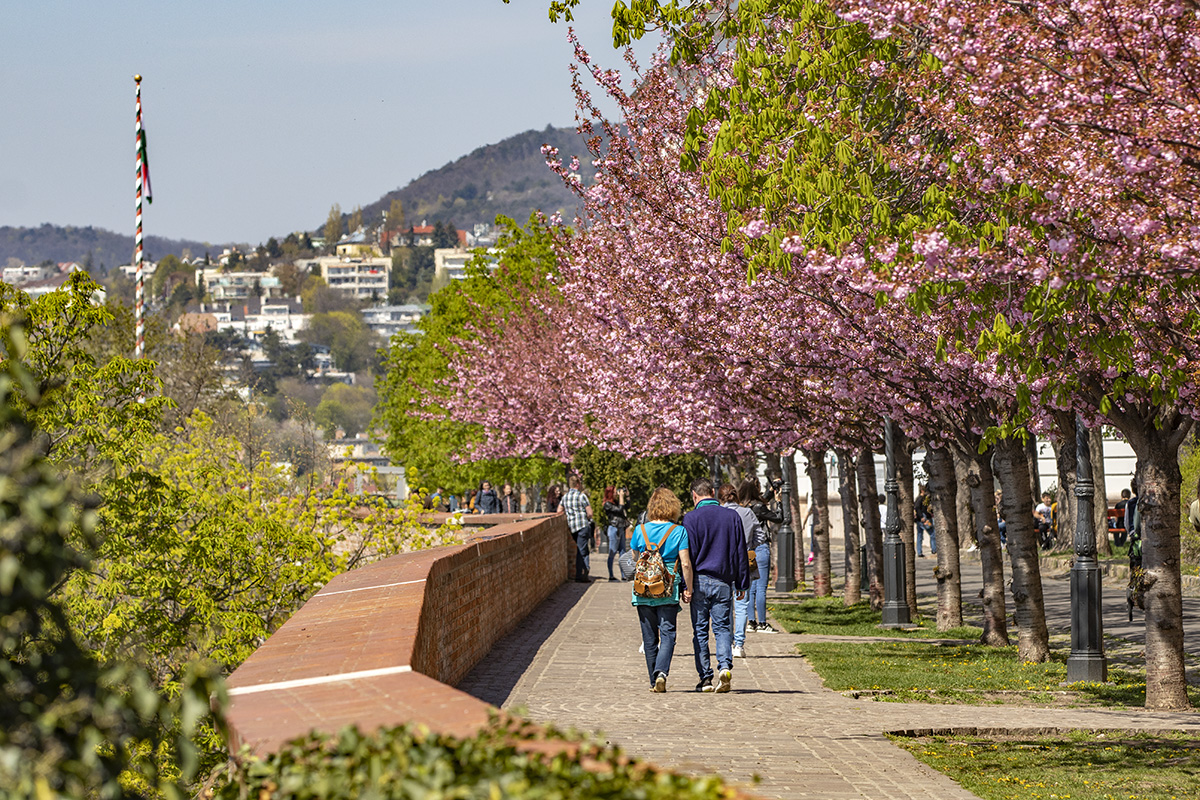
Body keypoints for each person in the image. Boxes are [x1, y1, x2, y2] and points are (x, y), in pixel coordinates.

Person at [683, 477, 750, 693]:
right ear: (712, 492)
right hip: (723, 581)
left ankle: (705, 678)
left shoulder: (690, 519)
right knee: (723, 628)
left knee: (700, 630)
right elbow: (740, 552)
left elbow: (688, 556)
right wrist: (742, 582)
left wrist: (687, 586)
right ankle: (724, 667)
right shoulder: (732, 516)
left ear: (695, 495)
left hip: (700, 580)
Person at [630, 487, 695, 692]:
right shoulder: (678, 531)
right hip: (668, 588)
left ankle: (653, 680)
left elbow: (634, 557)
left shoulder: (640, 530)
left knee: (649, 638)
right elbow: (685, 563)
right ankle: (661, 673)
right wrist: (689, 588)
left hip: (643, 589)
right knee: (668, 635)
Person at [719, 483, 759, 658]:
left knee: (725, 604)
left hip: (724, 563)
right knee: (742, 604)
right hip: (743, 561)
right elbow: (761, 536)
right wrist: (750, 545)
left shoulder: (720, 514)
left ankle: (726, 641)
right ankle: (739, 644)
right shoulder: (747, 513)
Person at [739, 479, 777, 634]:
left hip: (746, 548)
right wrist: (780, 502)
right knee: (761, 588)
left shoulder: (742, 507)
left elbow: (763, 500)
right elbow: (780, 518)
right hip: (760, 548)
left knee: (750, 588)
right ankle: (762, 622)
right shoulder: (758, 507)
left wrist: (771, 490)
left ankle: (751, 622)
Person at [560, 475, 594, 582]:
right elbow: (590, 513)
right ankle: (581, 575)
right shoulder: (581, 496)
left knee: (581, 548)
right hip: (582, 525)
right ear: (578, 484)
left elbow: (559, 510)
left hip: (572, 527)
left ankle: (582, 573)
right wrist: (585, 516)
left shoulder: (565, 497)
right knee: (582, 551)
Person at [603, 486, 630, 581]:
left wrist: (627, 497)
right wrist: (621, 498)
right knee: (612, 551)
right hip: (614, 529)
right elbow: (619, 509)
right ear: (610, 493)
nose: (617, 493)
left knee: (623, 552)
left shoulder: (616, 502)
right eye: (615, 492)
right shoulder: (607, 504)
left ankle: (624, 575)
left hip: (621, 528)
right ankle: (611, 575)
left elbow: (626, 507)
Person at [915, 484, 936, 558]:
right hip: (924, 519)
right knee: (932, 533)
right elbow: (917, 508)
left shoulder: (919, 498)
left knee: (920, 535)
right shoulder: (922, 499)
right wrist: (922, 516)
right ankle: (934, 549)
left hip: (919, 519)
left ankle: (919, 551)